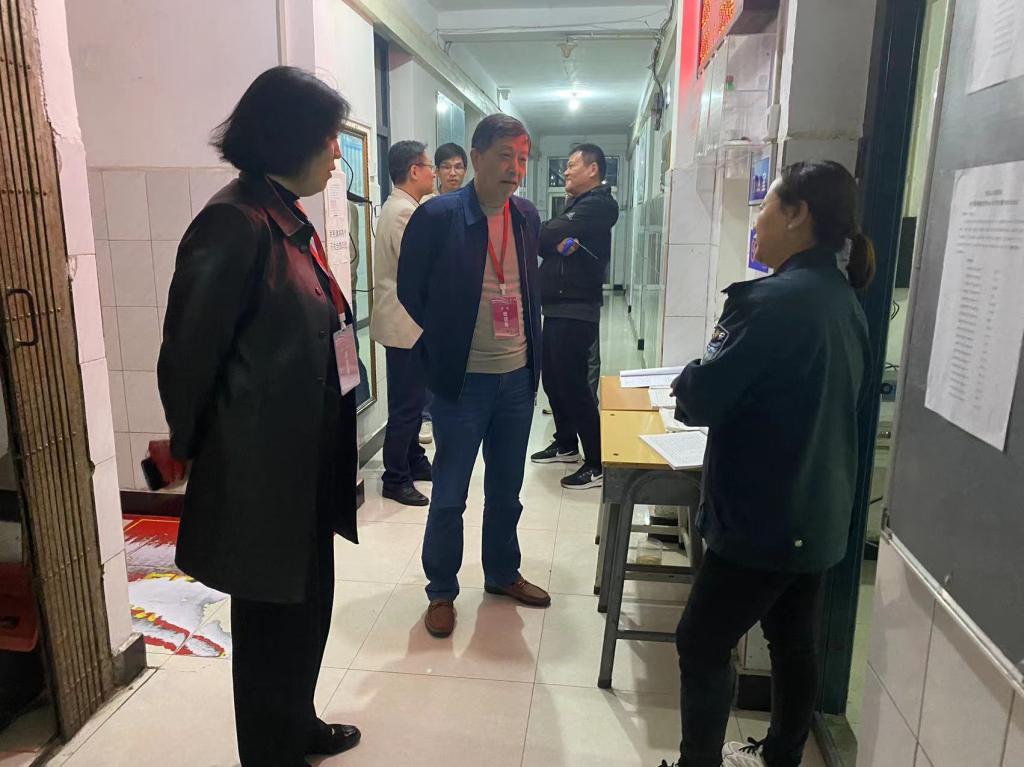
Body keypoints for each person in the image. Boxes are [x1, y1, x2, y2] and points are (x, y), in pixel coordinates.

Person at [157, 66, 361, 767]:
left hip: (304, 462)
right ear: (289, 137)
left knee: (307, 607)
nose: (336, 153)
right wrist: (190, 449)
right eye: (329, 138)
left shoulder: (286, 215)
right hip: (262, 470)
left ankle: (297, 724)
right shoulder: (234, 222)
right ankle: (270, 753)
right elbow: (188, 356)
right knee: (271, 624)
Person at [656, 161, 875, 767]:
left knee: (701, 641)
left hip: (765, 516)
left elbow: (700, 398)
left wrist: (691, 376)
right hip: (818, 507)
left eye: (766, 206)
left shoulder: (769, 302)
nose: (756, 220)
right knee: (792, 637)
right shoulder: (843, 301)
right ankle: (781, 756)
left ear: (797, 214)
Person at [397, 114, 550, 639]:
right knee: (449, 494)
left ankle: (502, 572)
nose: (515, 168)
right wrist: (446, 337)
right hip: (462, 384)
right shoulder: (439, 216)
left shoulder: (526, 216)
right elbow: (410, 289)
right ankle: (441, 590)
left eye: (522, 158)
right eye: (506, 156)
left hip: (517, 380)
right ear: (477, 157)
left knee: (507, 491)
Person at [530, 144, 619, 490]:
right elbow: (544, 241)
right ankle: (566, 443)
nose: (565, 172)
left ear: (592, 169)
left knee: (574, 384)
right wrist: (554, 238)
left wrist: (554, 235)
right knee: (553, 379)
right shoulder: (576, 205)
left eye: (571, 165)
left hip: (577, 308)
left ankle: (596, 462)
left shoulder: (598, 204)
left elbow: (545, 234)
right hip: (556, 305)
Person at [370, 140, 437, 506]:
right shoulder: (403, 212)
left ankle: (413, 460)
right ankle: (395, 478)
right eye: (429, 166)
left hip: (408, 323)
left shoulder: (404, 207)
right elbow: (420, 269)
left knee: (411, 401)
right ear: (414, 171)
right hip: (404, 323)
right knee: (407, 407)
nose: (434, 173)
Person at [418, 141, 469, 445]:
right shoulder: (428, 208)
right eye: (447, 167)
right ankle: (426, 416)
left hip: (464, 298)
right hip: (435, 298)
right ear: (436, 171)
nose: (453, 172)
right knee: (432, 356)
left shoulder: (472, 206)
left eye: (458, 166)